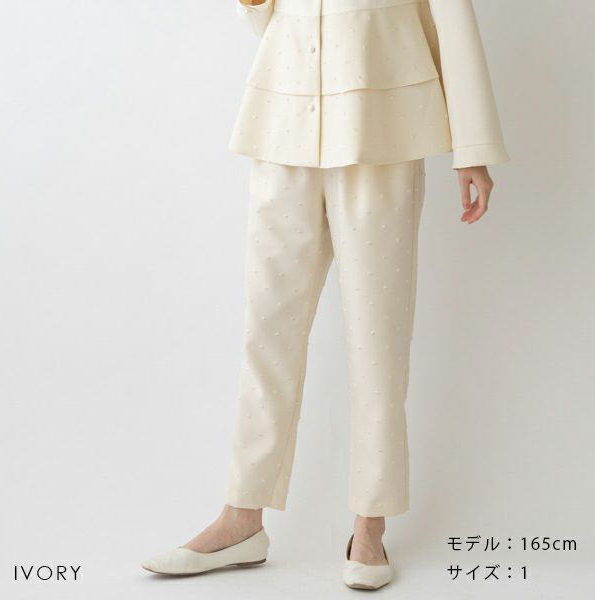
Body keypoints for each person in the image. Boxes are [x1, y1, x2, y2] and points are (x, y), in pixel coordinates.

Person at [141, 0, 509, 589]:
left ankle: (370, 525)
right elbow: (268, 19)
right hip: (284, 118)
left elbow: (453, 21)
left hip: (380, 124)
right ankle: (242, 518)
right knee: (267, 332)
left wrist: (474, 147)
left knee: (377, 339)